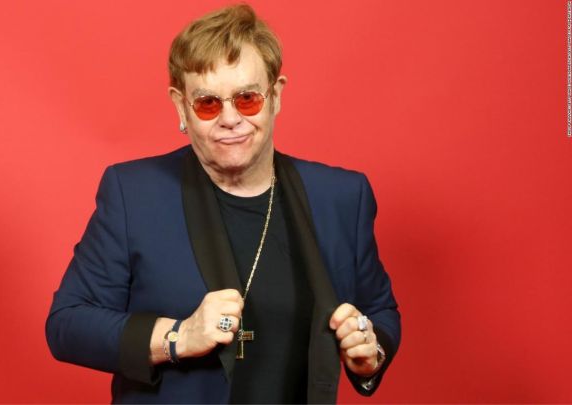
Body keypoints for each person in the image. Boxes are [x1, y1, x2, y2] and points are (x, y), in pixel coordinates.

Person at [45, 4, 400, 403]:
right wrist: (177, 337)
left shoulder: (341, 196)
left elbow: (379, 309)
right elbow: (67, 324)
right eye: (208, 103)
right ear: (181, 106)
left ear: (276, 95)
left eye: (247, 99)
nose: (230, 119)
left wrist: (371, 350)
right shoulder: (133, 194)